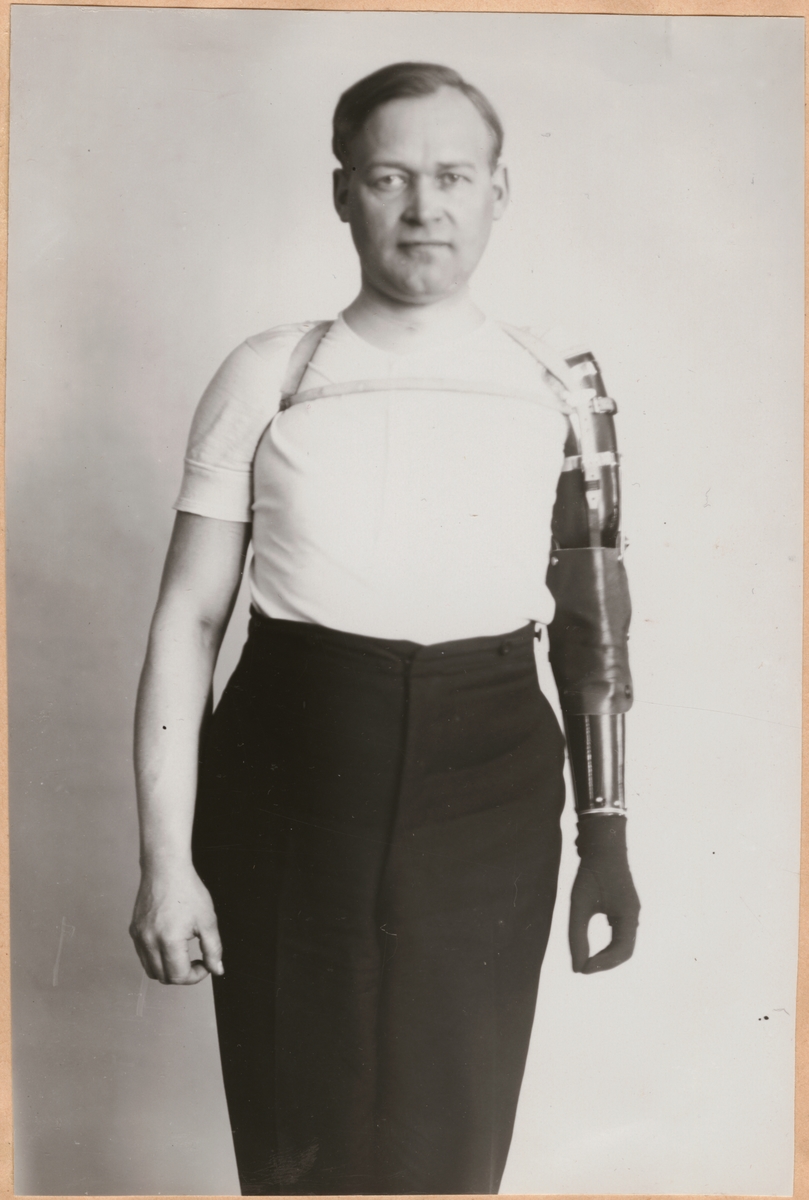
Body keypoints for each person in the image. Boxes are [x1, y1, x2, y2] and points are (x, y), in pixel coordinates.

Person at [129, 61, 641, 1196]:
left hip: (489, 795)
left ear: (497, 191)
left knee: (447, 1156)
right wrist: (166, 865)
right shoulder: (270, 373)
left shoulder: (559, 386)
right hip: (287, 785)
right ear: (341, 193)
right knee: (298, 1150)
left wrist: (602, 840)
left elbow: (591, 624)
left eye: (452, 176)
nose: (423, 208)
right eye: (388, 177)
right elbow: (189, 618)